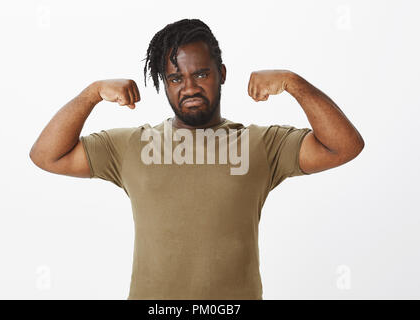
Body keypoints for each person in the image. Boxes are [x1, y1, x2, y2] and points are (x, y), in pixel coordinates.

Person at [29, 18, 364, 300]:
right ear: (165, 84)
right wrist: (92, 94)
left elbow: (344, 146)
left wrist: (294, 83)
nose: (188, 87)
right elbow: (47, 155)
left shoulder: (260, 144)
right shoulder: (132, 145)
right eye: (176, 78)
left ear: (221, 73)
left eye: (201, 74)